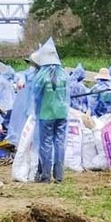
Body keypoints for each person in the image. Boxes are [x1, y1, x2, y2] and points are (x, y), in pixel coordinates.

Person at [29, 41, 70, 183]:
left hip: (46, 114)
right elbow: (66, 95)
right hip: (62, 114)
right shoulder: (64, 74)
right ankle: (59, 176)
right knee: (59, 143)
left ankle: (45, 176)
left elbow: (34, 95)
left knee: (45, 144)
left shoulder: (41, 76)